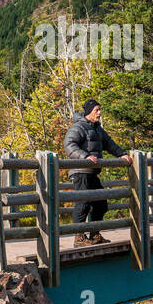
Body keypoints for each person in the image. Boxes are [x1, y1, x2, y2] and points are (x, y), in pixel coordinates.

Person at [62, 99, 130, 246]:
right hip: (80, 171)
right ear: (89, 112)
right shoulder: (78, 127)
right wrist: (85, 156)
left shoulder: (97, 129)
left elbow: (110, 144)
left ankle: (94, 234)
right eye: (96, 110)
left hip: (92, 172)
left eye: (99, 110)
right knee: (83, 203)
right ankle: (79, 237)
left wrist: (122, 154)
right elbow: (68, 144)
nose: (99, 113)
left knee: (101, 203)